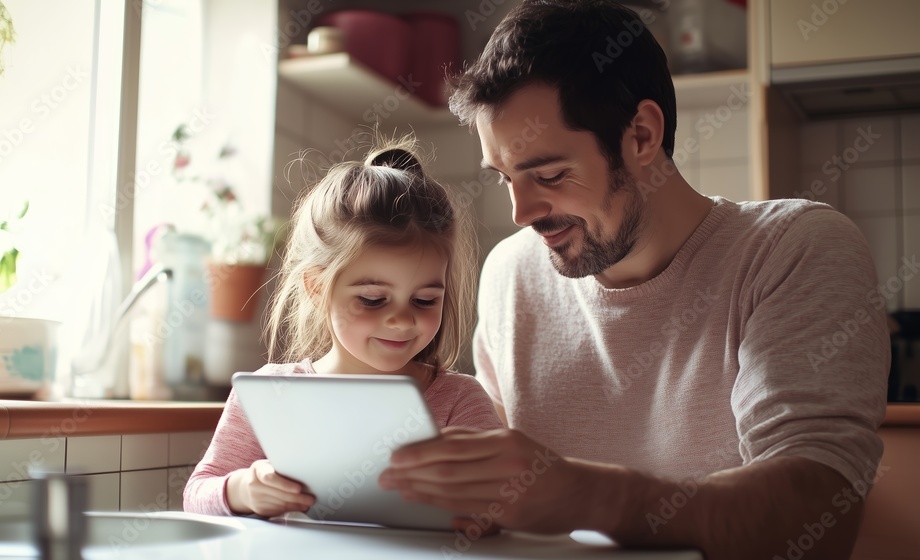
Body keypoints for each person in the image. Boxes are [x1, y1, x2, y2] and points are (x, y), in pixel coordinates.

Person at [376, 2, 889, 559]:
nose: (522, 212)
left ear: (642, 135)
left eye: (549, 175)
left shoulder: (792, 249)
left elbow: (820, 516)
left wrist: (590, 495)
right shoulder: (511, 272)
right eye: (504, 179)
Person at [184, 140, 504, 518]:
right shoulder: (274, 392)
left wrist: (482, 512)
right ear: (317, 288)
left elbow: (504, 503)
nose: (402, 320)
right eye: (372, 300)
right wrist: (243, 490)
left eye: (424, 300)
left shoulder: (459, 401)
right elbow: (197, 494)